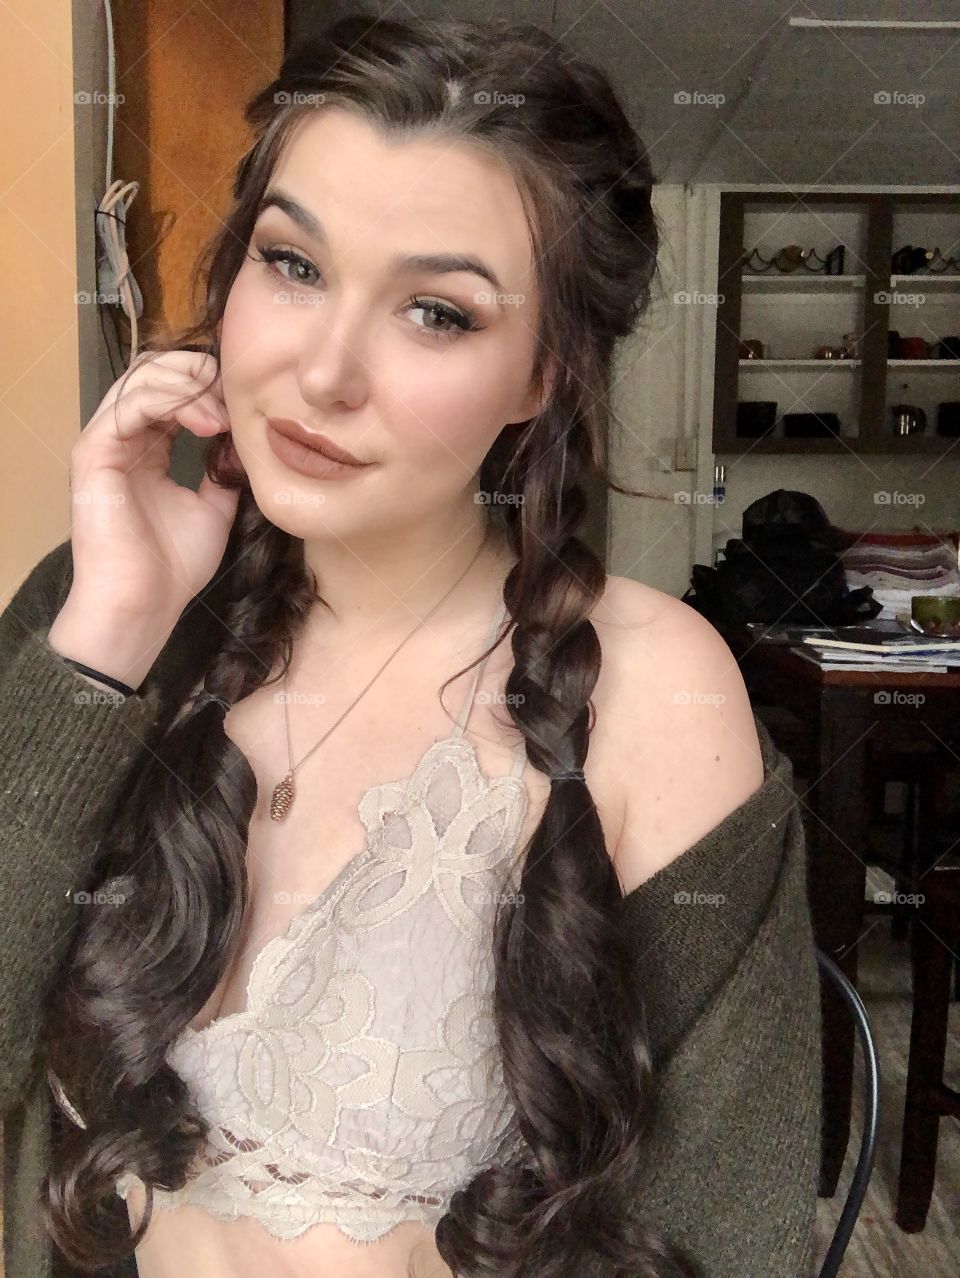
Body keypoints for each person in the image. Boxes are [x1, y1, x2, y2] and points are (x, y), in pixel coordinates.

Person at [0, 12, 821, 1278]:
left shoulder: (659, 692)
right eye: (292, 265)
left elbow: (730, 1229)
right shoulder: (111, 609)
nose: (323, 371)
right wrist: (103, 645)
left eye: (436, 312)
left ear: (545, 372)